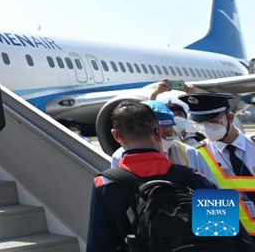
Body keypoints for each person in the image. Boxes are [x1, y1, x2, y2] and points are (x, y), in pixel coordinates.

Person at [86, 102, 253, 251]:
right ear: (158, 133)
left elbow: (99, 244)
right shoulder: (193, 176)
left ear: (116, 135)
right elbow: (228, 233)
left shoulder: (105, 184)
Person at [180, 92, 255, 237]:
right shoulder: (196, 155)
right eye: (201, 124)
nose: (207, 128)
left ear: (230, 118)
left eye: (213, 122)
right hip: (230, 237)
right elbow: (209, 217)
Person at [109, 100, 217, 185]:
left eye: (169, 133)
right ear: (153, 132)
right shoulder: (189, 175)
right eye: (161, 134)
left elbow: (214, 203)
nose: (164, 140)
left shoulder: (191, 153)